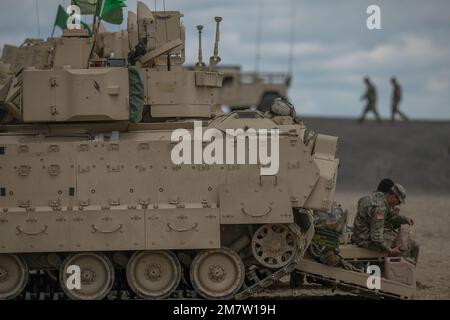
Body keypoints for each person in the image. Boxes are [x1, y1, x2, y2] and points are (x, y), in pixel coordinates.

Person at [351, 182, 419, 264]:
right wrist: (390, 250)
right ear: (393, 196)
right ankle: (398, 270)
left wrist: (404, 219)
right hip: (364, 238)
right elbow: (376, 237)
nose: (399, 204)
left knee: (412, 244)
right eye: (399, 201)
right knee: (402, 246)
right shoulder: (380, 208)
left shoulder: (379, 197)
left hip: (361, 233)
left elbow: (390, 217)